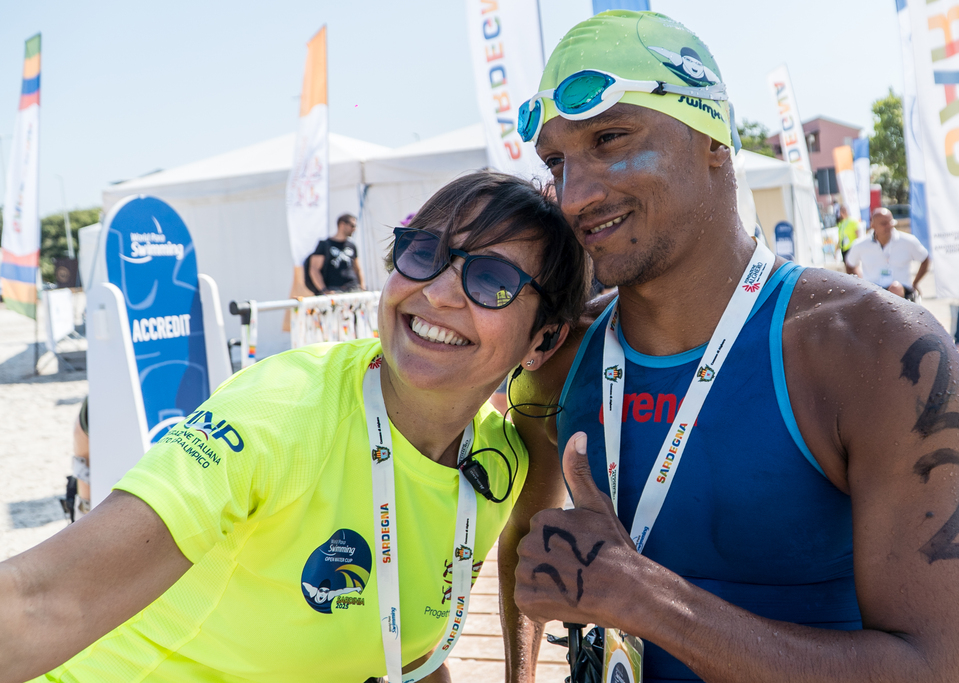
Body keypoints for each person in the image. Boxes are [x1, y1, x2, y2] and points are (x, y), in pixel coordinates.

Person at [501, 11, 959, 683]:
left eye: (609, 138)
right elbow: (521, 549)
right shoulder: (562, 362)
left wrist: (644, 598)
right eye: (556, 162)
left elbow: (941, 670)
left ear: (713, 141)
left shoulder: (874, 352)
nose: (574, 194)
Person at [0, 171, 591, 683]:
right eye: (424, 253)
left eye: (491, 281)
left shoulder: (495, 463)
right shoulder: (281, 411)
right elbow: (44, 600)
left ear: (542, 339)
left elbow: (410, 647)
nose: (436, 293)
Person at [844, 207, 930, 300]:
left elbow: (925, 258)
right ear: (873, 225)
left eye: (890, 222)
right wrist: (860, 283)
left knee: (895, 288)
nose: (889, 226)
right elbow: (850, 264)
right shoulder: (860, 244)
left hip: (901, 292)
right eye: (884, 224)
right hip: (872, 292)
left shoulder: (908, 241)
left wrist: (915, 283)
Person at [309, 213, 366, 294]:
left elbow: (358, 269)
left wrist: (362, 287)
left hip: (353, 288)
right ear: (342, 224)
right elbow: (314, 269)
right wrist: (324, 290)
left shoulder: (352, 245)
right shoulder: (325, 244)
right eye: (352, 226)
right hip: (334, 290)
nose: (354, 229)